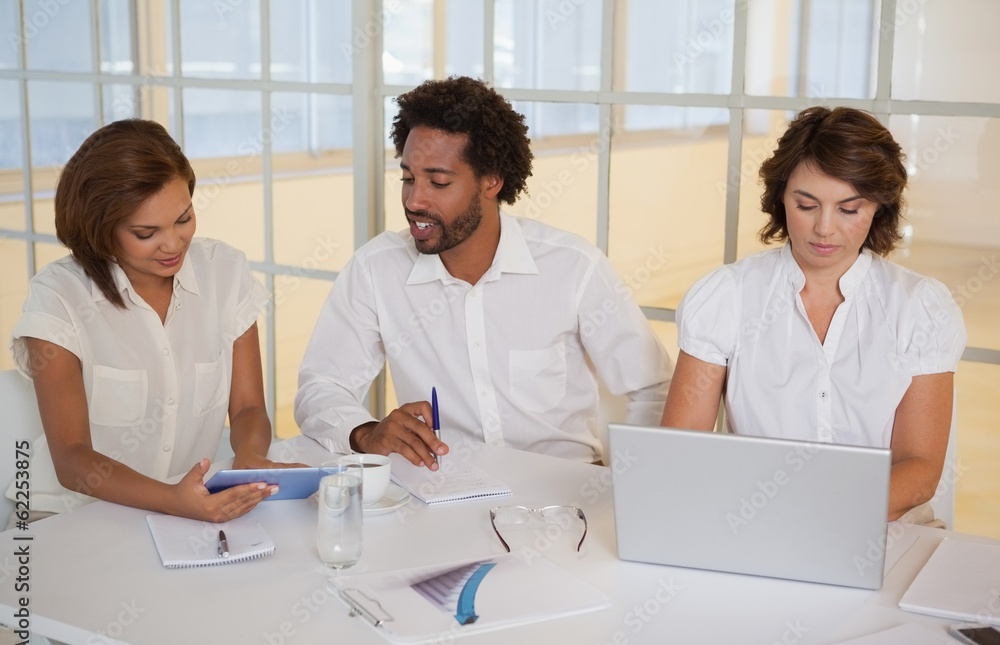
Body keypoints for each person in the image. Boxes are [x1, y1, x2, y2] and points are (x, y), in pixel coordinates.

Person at [295, 76, 672, 468]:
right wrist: (365, 432)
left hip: (564, 491)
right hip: (443, 488)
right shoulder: (376, 269)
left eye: (438, 182)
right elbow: (322, 386)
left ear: (491, 182)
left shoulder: (573, 267)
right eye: (407, 178)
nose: (414, 200)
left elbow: (654, 389)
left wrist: (629, 481)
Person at [660, 107, 966, 523]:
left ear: (879, 207)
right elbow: (682, 449)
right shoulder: (728, 296)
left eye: (848, 209)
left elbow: (920, 470)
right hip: (753, 521)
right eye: (806, 205)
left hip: (883, 525)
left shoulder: (918, 307)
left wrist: (812, 514)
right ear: (781, 198)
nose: (824, 228)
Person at [6, 119, 297, 525]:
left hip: (185, 508)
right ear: (101, 229)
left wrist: (249, 458)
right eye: (146, 233)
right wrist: (173, 500)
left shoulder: (224, 272)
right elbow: (72, 459)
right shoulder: (60, 297)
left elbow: (248, 407)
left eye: (184, 218)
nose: (173, 243)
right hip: (69, 517)